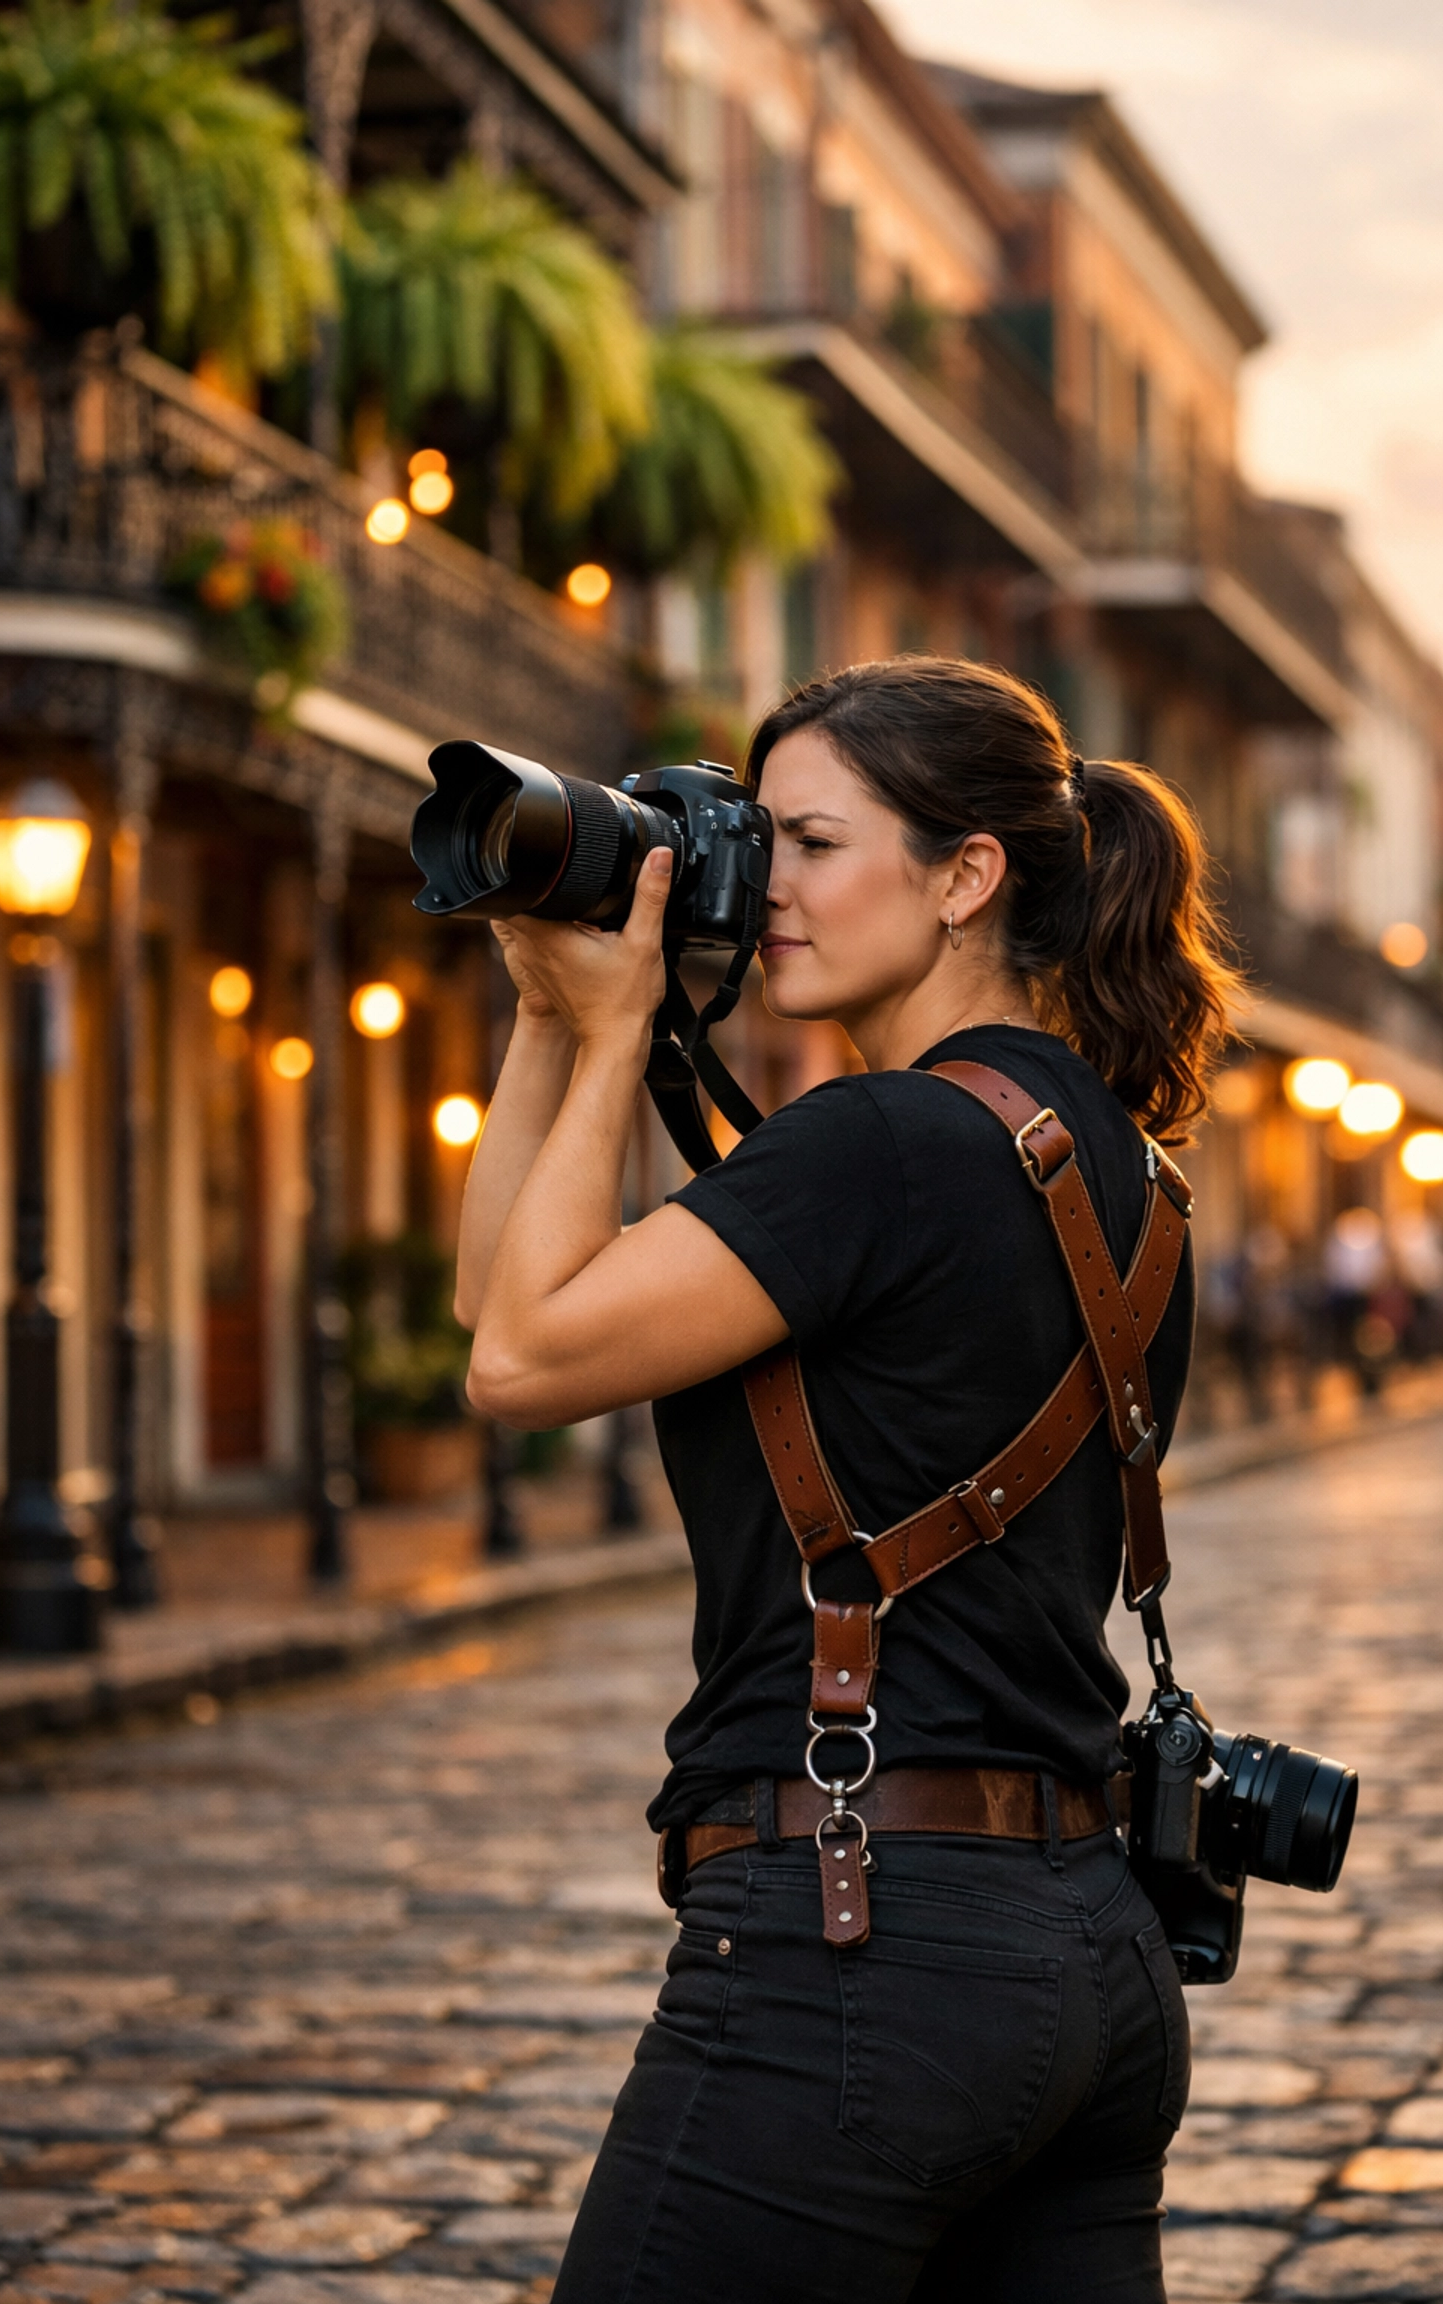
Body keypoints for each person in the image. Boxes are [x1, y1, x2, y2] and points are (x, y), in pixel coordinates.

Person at [456, 657, 1238, 2304]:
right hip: (1086, 1954)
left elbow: (516, 1367)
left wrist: (611, 1034)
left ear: (967, 878)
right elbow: (511, 1302)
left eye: (814, 844)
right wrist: (550, 1015)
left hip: (857, 1953)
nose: (771, 888)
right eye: (762, 841)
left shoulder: (874, 1142)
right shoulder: (1120, 1165)